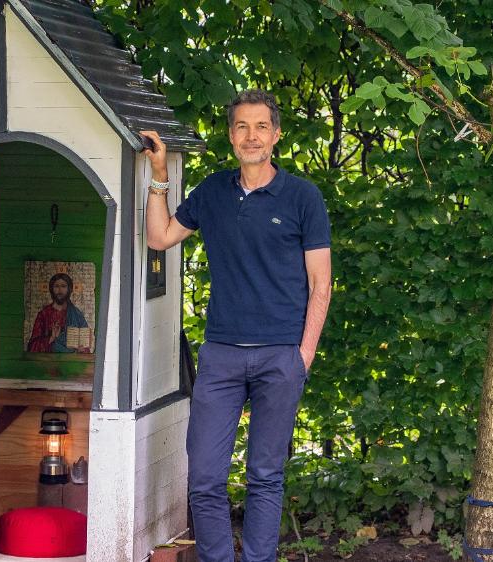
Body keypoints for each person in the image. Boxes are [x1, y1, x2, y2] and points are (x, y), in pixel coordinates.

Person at [141, 89, 332, 562]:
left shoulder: (303, 197)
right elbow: (159, 236)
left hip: (280, 357)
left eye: (261, 126)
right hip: (221, 355)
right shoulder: (211, 193)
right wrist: (159, 177)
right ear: (231, 136)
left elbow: (320, 284)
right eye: (242, 127)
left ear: (276, 135)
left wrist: (302, 356)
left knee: (265, 477)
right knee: (204, 477)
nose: (252, 136)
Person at [26, 272, 90, 353]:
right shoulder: (44, 314)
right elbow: (32, 346)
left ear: (69, 289)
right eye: (56, 286)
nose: (60, 290)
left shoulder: (77, 315)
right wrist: (51, 338)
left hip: (70, 362)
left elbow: (86, 347)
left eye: (63, 286)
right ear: (51, 289)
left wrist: (82, 349)